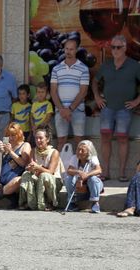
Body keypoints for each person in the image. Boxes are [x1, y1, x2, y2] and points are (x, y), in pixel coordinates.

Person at [92, 35, 140, 181]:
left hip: (124, 110)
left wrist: (137, 101)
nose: (115, 50)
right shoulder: (106, 65)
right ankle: (105, 172)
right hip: (107, 109)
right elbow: (94, 81)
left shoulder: (134, 65)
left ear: (125, 48)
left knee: (122, 139)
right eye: (113, 47)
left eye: (118, 47)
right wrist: (97, 97)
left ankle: (122, 173)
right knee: (105, 138)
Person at [50, 39, 89, 151]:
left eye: (71, 49)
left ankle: (79, 168)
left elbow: (83, 92)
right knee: (61, 141)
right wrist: (62, 109)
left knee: (80, 141)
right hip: (60, 111)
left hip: (77, 110)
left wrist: (70, 109)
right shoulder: (56, 69)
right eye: (67, 48)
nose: (68, 51)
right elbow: (53, 91)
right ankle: (59, 168)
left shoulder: (84, 69)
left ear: (76, 50)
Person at [0, 123, 31, 206]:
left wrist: (11, 152)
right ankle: (10, 195)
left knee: (18, 180)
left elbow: (24, 164)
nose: (11, 138)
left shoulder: (25, 145)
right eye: (8, 135)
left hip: (14, 179)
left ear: (19, 134)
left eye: (13, 135)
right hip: (1, 180)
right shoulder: (6, 143)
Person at [18, 125, 63, 211]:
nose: (38, 141)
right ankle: (29, 202)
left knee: (45, 176)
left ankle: (51, 202)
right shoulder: (33, 151)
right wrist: (30, 168)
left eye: (41, 138)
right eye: (36, 138)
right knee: (26, 174)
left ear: (47, 139)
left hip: (53, 180)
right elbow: (30, 166)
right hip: (37, 178)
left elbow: (51, 172)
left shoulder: (54, 152)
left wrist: (38, 167)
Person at [64, 140, 103, 213]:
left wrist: (86, 175)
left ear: (89, 151)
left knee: (93, 179)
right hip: (79, 186)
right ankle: (72, 203)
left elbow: (99, 170)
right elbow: (69, 170)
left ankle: (95, 202)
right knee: (68, 178)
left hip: (91, 186)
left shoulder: (93, 158)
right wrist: (79, 172)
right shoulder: (74, 157)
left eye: (82, 150)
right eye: (78, 149)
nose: (79, 152)